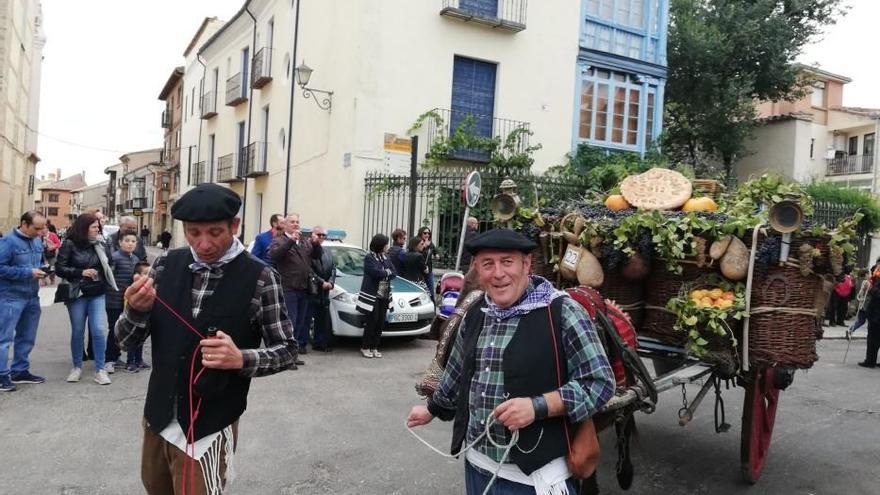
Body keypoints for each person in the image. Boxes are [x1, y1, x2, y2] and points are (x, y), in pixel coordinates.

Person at [115, 183, 299, 494]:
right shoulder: (164, 265)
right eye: (193, 232)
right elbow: (125, 341)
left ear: (235, 226)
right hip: (158, 418)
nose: (203, 244)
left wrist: (241, 359)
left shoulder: (261, 277)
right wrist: (136, 310)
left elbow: (288, 350)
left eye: (214, 232)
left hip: (210, 426)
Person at [406, 229, 615, 494]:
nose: (498, 273)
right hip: (477, 468)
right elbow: (457, 373)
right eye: (487, 264)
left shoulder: (563, 312)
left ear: (526, 264)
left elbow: (600, 384)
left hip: (535, 479)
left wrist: (538, 406)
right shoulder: (475, 312)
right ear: (477, 270)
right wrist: (432, 409)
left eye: (507, 261)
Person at [56, 213, 118, 385]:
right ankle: (76, 367)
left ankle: (100, 370)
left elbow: (111, 263)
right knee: (78, 331)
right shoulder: (69, 244)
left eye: (98, 227)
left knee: (98, 330)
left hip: (97, 292)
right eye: (94, 227)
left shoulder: (101, 244)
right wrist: (80, 272)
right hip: (77, 294)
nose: (98, 230)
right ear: (84, 228)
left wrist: (104, 273)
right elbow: (59, 268)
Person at [0, 211, 48, 392]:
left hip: (31, 296)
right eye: (37, 228)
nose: (41, 231)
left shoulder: (37, 241)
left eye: (43, 227)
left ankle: (19, 371)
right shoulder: (7, 242)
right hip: (10, 296)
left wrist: (42, 271)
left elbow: (36, 263)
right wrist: (28, 273)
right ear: (24, 224)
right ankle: (2, 375)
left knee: (27, 337)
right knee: (4, 338)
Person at [269, 213, 322, 356]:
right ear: (285, 224)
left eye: (297, 222)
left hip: (304, 287)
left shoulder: (304, 241)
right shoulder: (279, 240)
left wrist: (316, 244)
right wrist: (291, 241)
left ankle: (294, 353)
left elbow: (316, 256)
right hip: (288, 287)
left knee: (300, 322)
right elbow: (274, 255)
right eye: (292, 222)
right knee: (290, 322)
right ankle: (286, 353)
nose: (295, 224)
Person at [104, 232, 140, 374]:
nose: (130, 243)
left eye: (133, 241)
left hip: (128, 302)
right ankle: (109, 360)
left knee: (124, 330)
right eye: (127, 240)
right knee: (114, 330)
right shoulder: (114, 258)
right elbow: (108, 278)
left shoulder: (135, 258)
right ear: (120, 242)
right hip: (114, 301)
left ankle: (116, 356)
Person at [356, 234, 396, 359]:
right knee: (372, 321)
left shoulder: (385, 257)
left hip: (384, 294)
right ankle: (365, 347)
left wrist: (386, 272)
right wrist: (386, 272)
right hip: (372, 294)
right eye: (385, 244)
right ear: (379, 245)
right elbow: (374, 273)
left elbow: (394, 272)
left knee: (380, 321)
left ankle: (374, 347)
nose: (387, 246)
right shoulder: (369, 258)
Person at [309, 226, 336, 352]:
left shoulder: (327, 251)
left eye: (323, 235)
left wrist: (330, 282)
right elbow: (308, 269)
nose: (321, 237)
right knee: (308, 319)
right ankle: (303, 344)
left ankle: (321, 342)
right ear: (312, 235)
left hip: (325, 291)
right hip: (312, 289)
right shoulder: (308, 249)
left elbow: (333, 268)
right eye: (318, 234)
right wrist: (321, 282)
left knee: (323, 318)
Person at [417, 226, 437, 301]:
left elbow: (435, 252)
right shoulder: (418, 242)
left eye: (428, 233)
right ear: (421, 233)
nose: (427, 235)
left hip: (429, 270)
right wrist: (424, 246)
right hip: (420, 271)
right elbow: (417, 254)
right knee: (421, 291)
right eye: (425, 233)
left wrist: (437, 255)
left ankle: (433, 308)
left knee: (431, 291)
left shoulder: (430, 243)